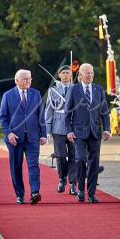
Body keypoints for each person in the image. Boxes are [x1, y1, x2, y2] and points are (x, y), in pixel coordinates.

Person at [0, 69, 47, 205]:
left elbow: (41, 115)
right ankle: (20, 194)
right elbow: (2, 118)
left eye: (30, 78)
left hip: (32, 137)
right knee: (16, 167)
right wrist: (9, 133)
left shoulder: (36, 94)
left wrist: (43, 134)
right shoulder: (7, 96)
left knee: (33, 165)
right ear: (17, 81)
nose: (28, 81)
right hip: (15, 139)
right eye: (25, 79)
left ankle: (35, 193)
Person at [65, 63, 111, 204]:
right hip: (78, 132)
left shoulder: (99, 90)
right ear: (80, 75)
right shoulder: (74, 90)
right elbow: (67, 113)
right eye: (87, 73)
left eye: (91, 73)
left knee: (94, 163)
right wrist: (69, 131)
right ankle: (80, 189)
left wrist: (107, 129)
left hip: (95, 132)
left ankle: (91, 194)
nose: (90, 75)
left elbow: (104, 112)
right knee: (80, 159)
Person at [45, 65, 78, 195]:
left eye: (68, 73)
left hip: (74, 126)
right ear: (59, 75)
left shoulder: (76, 89)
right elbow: (49, 110)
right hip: (58, 127)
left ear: (71, 76)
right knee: (60, 156)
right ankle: (62, 178)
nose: (65, 75)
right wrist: (47, 130)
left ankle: (73, 183)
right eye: (63, 73)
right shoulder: (53, 91)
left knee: (74, 156)